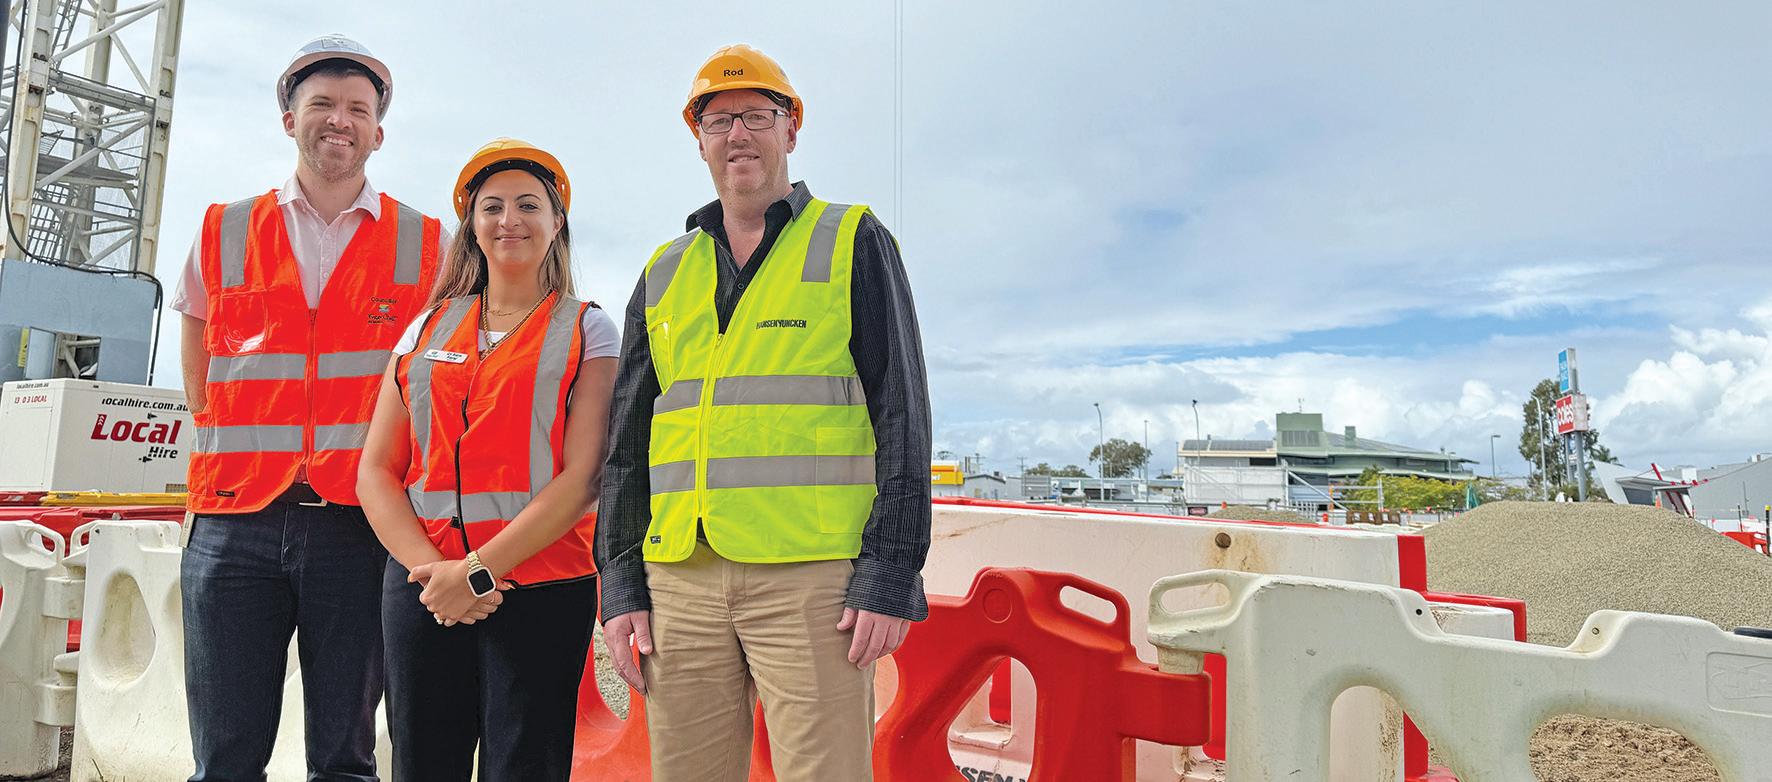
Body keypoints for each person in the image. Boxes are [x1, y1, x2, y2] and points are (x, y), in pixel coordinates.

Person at [594, 44, 933, 780]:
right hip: (680, 576)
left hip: (813, 582)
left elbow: (902, 412)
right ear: (699, 140)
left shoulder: (853, 240)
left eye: (756, 114)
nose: (738, 134)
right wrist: (619, 586)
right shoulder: (664, 270)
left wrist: (890, 570)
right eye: (718, 120)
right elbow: (628, 444)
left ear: (791, 129)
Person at [173, 34, 442, 782]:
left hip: (361, 527)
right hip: (234, 523)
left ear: (378, 132)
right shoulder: (223, 229)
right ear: (289, 120)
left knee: (345, 759)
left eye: (358, 108)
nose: (339, 120)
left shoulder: (428, 243)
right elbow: (196, 332)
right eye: (322, 103)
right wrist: (215, 424)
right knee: (224, 759)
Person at [356, 138, 617, 782]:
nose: (510, 220)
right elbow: (377, 471)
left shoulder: (588, 330)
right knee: (422, 764)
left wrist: (475, 573)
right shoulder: (424, 329)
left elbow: (584, 477)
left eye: (529, 205)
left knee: (526, 765)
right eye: (492, 206)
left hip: (541, 586)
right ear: (471, 225)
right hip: (424, 588)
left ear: (557, 223)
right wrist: (434, 574)